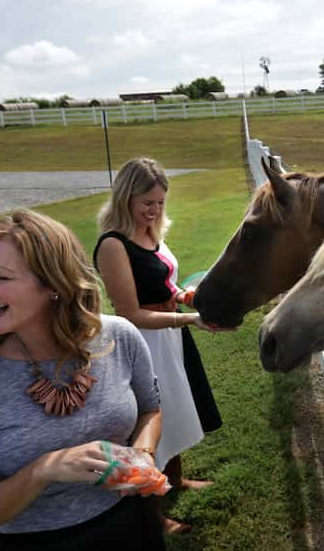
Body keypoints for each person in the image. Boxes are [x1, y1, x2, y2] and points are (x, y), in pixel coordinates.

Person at [0, 210, 165, 550]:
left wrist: (141, 454)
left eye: (0, 277)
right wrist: (43, 469)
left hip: (132, 523)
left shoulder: (119, 337)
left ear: (54, 284)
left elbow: (150, 410)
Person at [94, 157, 224, 534]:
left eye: (160, 203)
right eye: (146, 202)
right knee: (149, 424)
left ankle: (176, 481)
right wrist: (188, 319)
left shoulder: (152, 233)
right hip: (142, 344)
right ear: (125, 198)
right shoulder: (114, 245)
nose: (153, 210)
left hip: (169, 335)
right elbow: (130, 313)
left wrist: (184, 297)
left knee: (177, 409)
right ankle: (152, 516)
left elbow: (163, 286)